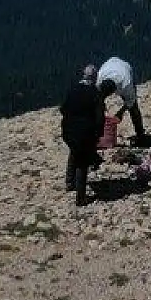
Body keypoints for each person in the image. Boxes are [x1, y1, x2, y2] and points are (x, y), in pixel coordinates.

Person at [60, 64, 106, 206]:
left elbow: (63, 109)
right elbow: (100, 118)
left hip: (68, 131)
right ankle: (80, 198)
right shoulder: (95, 93)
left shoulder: (72, 89)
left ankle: (69, 182)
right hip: (85, 133)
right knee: (83, 162)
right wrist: (98, 134)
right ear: (95, 77)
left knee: (74, 151)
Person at [96, 56, 148, 143]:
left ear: (114, 91)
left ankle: (140, 135)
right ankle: (97, 134)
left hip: (124, 68)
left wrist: (120, 113)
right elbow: (97, 98)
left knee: (134, 108)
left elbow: (130, 100)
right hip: (110, 64)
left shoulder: (126, 84)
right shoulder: (100, 78)